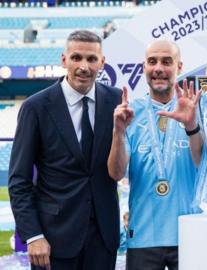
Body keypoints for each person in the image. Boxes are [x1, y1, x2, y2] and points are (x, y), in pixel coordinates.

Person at [9, 30, 122, 269]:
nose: (84, 66)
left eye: (92, 59)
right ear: (64, 60)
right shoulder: (36, 107)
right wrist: (33, 235)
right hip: (52, 240)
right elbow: (19, 180)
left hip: (103, 239)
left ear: (102, 62)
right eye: (76, 57)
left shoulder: (116, 101)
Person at [107, 39, 202, 270]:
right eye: (152, 62)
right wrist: (118, 133)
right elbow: (116, 173)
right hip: (144, 235)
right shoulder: (130, 112)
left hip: (190, 232)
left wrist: (191, 126)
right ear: (144, 68)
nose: (158, 68)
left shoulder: (196, 108)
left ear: (179, 67)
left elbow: (203, 163)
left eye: (166, 62)